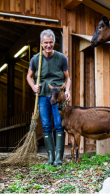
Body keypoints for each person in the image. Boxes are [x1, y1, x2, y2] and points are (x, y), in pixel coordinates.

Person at [26, 29, 71, 166]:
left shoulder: (61, 58)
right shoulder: (35, 59)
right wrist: (33, 86)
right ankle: (50, 157)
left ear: (54, 42)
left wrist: (67, 90)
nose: (48, 45)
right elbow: (29, 76)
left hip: (58, 96)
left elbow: (68, 78)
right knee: (46, 125)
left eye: (51, 42)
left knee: (59, 125)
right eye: (45, 43)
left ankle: (59, 157)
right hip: (43, 95)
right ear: (41, 43)